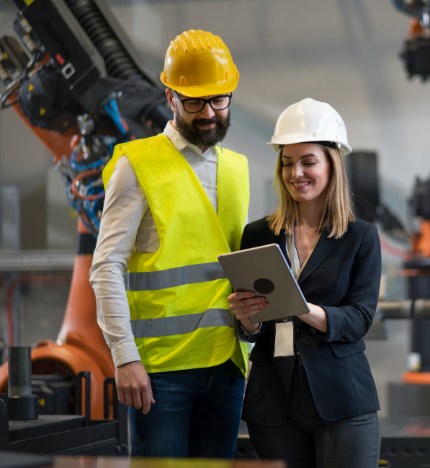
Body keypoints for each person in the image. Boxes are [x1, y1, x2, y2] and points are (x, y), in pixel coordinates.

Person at [89, 29, 250, 458]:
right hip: (160, 374)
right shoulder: (136, 165)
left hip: (227, 365)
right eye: (195, 101)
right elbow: (106, 266)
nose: (210, 113)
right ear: (169, 97)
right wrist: (124, 357)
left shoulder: (236, 169)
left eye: (219, 99)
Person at [230, 98, 382, 468]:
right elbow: (251, 332)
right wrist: (247, 317)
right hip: (273, 403)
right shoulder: (258, 234)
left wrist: (303, 308)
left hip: (342, 398)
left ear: (332, 163)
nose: (296, 172)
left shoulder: (360, 237)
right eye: (287, 163)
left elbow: (359, 318)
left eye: (308, 161)